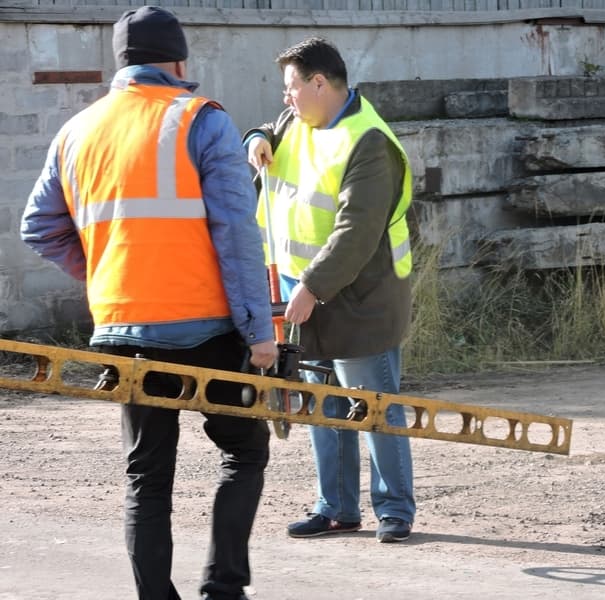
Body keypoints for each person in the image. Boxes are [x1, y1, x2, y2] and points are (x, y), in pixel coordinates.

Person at [20, 6, 277, 600]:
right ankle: (224, 590)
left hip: (120, 329)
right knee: (243, 452)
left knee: (147, 478)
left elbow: (40, 227)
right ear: (180, 61)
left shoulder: (77, 130)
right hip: (206, 327)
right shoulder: (200, 119)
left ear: (122, 63)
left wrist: (103, 273)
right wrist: (259, 331)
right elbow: (237, 232)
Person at [243, 37, 416, 543]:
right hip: (307, 290)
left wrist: (312, 289)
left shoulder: (369, 142)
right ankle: (336, 508)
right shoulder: (299, 122)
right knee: (323, 403)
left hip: (362, 297)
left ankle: (395, 510)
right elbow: (265, 129)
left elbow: (356, 232)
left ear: (319, 83)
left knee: (373, 404)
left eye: (291, 88)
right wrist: (253, 138)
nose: (285, 99)